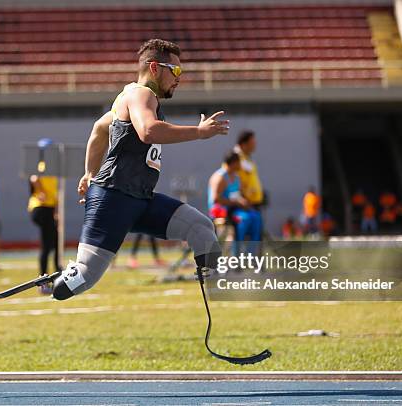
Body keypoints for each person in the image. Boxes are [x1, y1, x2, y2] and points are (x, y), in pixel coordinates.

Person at [50, 39, 228, 300]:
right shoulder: (140, 94)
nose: (179, 78)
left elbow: (100, 129)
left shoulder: (134, 99)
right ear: (155, 67)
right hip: (113, 197)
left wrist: (89, 172)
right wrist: (199, 132)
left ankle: (213, 295)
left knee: (201, 228)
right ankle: (48, 284)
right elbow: (148, 131)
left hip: (140, 199)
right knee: (84, 277)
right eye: (175, 71)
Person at [208, 152, 262, 253]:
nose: (240, 165)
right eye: (239, 162)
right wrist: (235, 203)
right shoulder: (220, 177)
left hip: (234, 209)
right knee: (243, 220)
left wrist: (244, 202)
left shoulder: (236, 177)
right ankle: (235, 254)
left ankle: (252, 253)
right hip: (221, 211)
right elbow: (216, 199)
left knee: (255, 216)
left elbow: (237, 195)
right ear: (233, 163)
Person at [28, 173, 62, 277]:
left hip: (49, 209)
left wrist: (56, 213)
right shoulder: (45, 166)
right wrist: (41, 192)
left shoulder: (54, 176)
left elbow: (55, 195)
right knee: (47, 244)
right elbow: (33, 178)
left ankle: (57, 269)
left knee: (56, 241)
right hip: (41, 208)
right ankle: (44, 275)